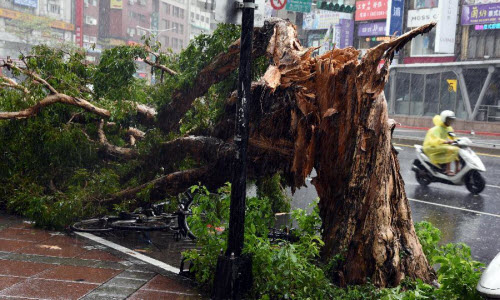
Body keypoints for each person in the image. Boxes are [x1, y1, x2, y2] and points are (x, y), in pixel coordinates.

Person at [423, 110, 460, 175]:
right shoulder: (436, 129)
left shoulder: (449, 129)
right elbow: (435, 140)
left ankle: (457, 169)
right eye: (449, 120)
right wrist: (445, 141)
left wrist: (459, 140)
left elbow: (453, 137)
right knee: (450, 149)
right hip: (430, 146)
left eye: (451, 120)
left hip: (439, 145)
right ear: (444, 119)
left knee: (458, 150)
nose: (450, 121)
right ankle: (447, 170)